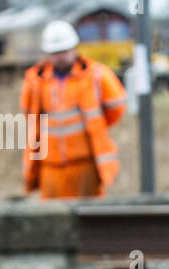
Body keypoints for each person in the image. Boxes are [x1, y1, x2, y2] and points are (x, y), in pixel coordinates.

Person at [20, 20, 127, 199]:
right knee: (53, 218)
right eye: (55, 52)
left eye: (64, 51)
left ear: (74, 49)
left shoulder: (95, 75)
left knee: (89, 217)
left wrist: (98, 126)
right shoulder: (35, 81)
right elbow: (28, 114)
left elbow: (116, 107)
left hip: (85, 162)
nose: (60, 57)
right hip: (50, 165)